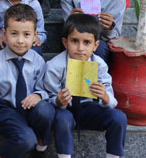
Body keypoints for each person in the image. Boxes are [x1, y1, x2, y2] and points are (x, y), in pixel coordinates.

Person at [0, 4, 55, 158]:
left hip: (30, 110)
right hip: (6, 110)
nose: (20, 40)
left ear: (35, 36)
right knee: (26, 139)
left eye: (26, 34)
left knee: (45, 109)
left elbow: (46, 89)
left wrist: (38, 95)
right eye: (14, 34)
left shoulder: (38, 61)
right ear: (4, 34)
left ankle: (41, 142)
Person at [44, 14, 127, 158]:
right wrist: (58, 100)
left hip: (89, 109)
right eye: (74, 41)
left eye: (87, 42)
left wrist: (105, 97)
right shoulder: (54, 66)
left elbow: (111, 99)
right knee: (62, 119)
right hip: (65, 111)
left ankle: (114, 155)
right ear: (65, 42)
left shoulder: (99, 64)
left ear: (96, 45)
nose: (80, 48)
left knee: (119, 117)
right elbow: (48, 96)